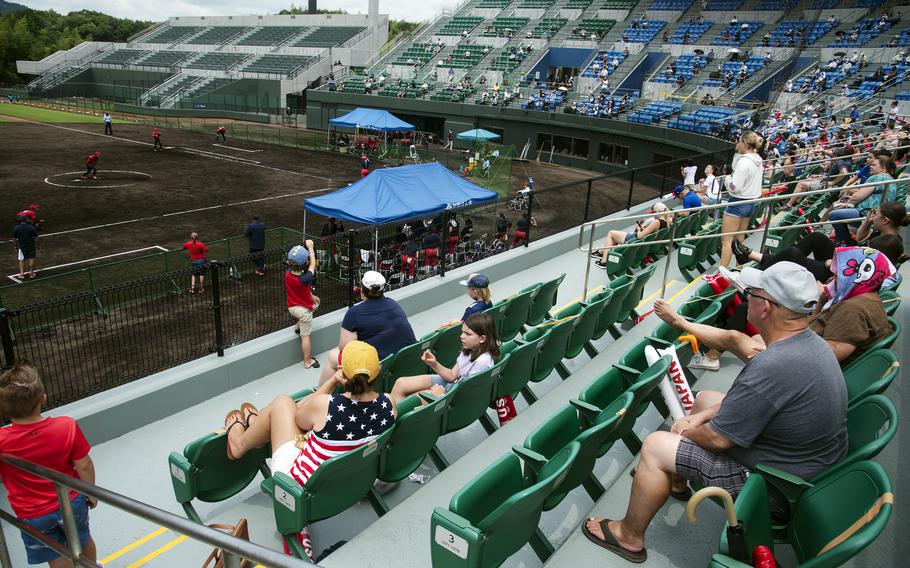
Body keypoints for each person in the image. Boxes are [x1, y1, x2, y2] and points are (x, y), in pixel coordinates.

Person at [583, 262, 847, 562]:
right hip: (797, 467)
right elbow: (757, 402)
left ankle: (628, 536)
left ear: (766, 307)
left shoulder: (775, 365)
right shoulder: (809, 344)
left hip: (773, 489)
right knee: (705, 399)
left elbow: (719, 440)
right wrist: (696, 416)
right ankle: (678, 482)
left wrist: (685, 429)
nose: (746, 297)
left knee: (656, 446)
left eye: (751, 293)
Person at [224, 341, 400, 561]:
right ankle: (257, 427)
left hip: (298, 485)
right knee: (301, 424)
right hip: (346, 482)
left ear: (343, 371)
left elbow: (299, 413)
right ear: (378, 371)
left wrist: (331, 382)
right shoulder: (389, 404)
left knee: (282, 403)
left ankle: (240, 444)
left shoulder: (326, 406)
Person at [0, 361, 99, 568]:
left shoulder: (2, 440)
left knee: (55, 551)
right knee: (82, 538)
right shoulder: (66, 426)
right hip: (71, 502)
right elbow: (84, 465)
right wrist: (91, 493)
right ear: (43, 398)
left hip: (32, 513)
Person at [318, 271, 416, 384]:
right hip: (405, 359)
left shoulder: (354, 313)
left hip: (379, 365)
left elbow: (345, 348)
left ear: (362, 291)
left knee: (332, 356)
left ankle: (319, 393)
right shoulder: (394, 303)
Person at [390, 313, 499, 400]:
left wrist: (441, 395)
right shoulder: (469, 349)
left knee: (412, 400)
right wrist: (434, 364)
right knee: (401, 383)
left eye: (468, 334)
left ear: (482, 339)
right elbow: (452, 376)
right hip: (453, 385)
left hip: (453, 397)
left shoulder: (482, 362)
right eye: (462, 332)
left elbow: (467, 396)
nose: (462, 337)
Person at [828, 155, 897, 245]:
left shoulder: (877, 178)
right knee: (838, 209)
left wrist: (844, 203)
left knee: (834, 214)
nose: (870, 167)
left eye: (874, 165)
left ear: (883, 168)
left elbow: (857, 197)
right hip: (878, 214)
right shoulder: (891, 179)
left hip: (867, 213)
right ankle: (840, 240)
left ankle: (848, 242)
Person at [719, 131, 764, 267]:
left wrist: (727, 180)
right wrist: (738, 153)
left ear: (744, 143)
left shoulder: (744, 162)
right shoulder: (756, 158)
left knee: (726, 241)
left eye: (739, 141)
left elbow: (735, 187)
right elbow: (735, 167)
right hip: (750, 203)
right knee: (740, 239)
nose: (737, 143)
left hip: (738, 203)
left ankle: (721, 274)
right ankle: (739, 267)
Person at [595, 204, 672, 267]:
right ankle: (605, 254)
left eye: (653, 212)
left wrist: (639, 228)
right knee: (615, 237)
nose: (652, 214)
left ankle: (604, 261)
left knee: (611, 233)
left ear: (657, 212)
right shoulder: (668, 220)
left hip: (634, 240)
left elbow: (639, 236)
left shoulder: (656, 222)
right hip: (643, 242)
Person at [286, 242, 320, 369]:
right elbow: (312, 264)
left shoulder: (288, 274)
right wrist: (311, 248)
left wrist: (312, 296)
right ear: (304, 264)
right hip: (303, 311)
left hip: (292, 306)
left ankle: (297, 327)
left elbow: (303, 291)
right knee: (305, 337)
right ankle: (307, 361)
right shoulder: (305, 278)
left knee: (313, 305)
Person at [12, 215, 38, 280]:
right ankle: (31, 273)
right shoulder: (31, 227)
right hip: (31, 246)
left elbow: (14, 238)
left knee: (21, 260)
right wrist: (38, 245)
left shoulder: (16, 228)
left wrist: (15, 246)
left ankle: (21, 274)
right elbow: (36, 237)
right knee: (31, 259)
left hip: (22, 247)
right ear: (26, 220)